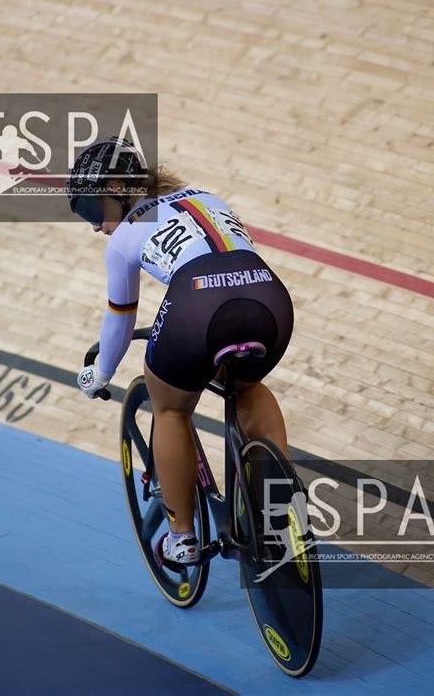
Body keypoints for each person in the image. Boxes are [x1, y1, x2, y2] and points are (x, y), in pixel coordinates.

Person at [68, 137, 294, 565]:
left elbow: (120, 319)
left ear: (117, 188)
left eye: (93, 211)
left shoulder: (123, 239)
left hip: (197, 306)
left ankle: (183, 537)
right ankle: (280, 505)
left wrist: (100, 373)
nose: (96, 226)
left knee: (170, 408)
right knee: (247, 386)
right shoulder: (208, 196)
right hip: (269, 298)